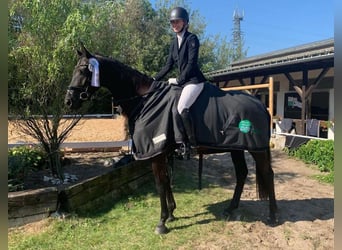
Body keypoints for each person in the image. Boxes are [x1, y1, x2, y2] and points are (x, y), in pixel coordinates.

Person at [154, 6, 206, 150]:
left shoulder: (192, 39)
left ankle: (191, 143)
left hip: (194, 81)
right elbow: (167, 66)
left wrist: (178, 80)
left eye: (177, 22)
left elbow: (191, 64)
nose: (175, 25)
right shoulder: (173, 43)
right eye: (172, 22)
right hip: (183, 82)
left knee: (182, 107)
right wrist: (153, 79)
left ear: (185, 22)